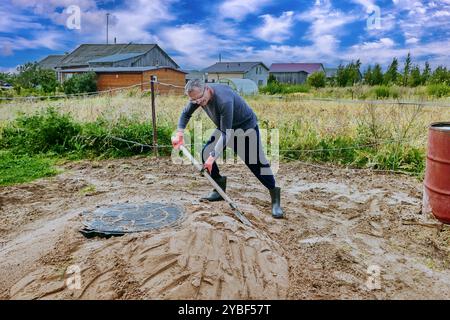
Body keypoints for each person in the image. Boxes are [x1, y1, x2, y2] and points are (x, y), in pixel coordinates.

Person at [172, 79, 284, 219]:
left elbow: (227, 134)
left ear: (207, 89)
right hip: (225, 127)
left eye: (200, 98)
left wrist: (212, 159)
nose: (198, 102)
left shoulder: (224, 99)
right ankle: (219, 188)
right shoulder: (197, 96)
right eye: (194, 101)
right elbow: (185, 114)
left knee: (257, 164)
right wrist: (180, 134)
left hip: (245, 128)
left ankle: (275, 197)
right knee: (206, 152)